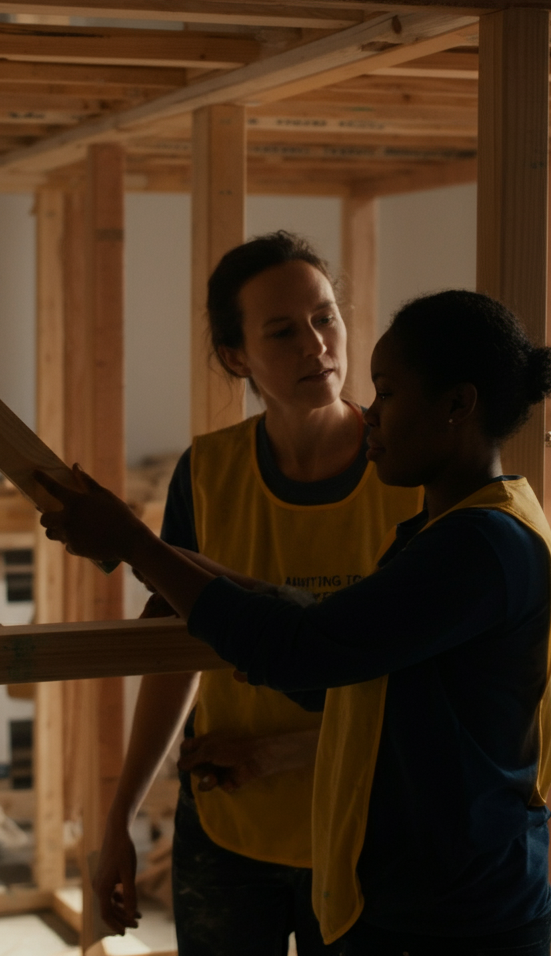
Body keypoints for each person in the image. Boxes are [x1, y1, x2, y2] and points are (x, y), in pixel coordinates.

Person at [39, 289, 551, 956]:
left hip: (455, 916)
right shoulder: (445, 532)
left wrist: (140, 548)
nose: (372, 415)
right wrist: (168, 562)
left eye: (388, 394)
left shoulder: (478, 547)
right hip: (421, 895)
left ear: (457, 406)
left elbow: (308, 653)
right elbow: (335, 633)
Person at [93, 232, 421, 955]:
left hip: (369, 826)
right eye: (282, 330)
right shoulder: (209, 472)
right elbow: (176, 652)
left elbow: (426, 689)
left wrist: (280, 752)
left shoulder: (410, 468)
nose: (317, 344)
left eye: (326, 316)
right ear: (235, 356)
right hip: (227, 827)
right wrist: (121, 813)